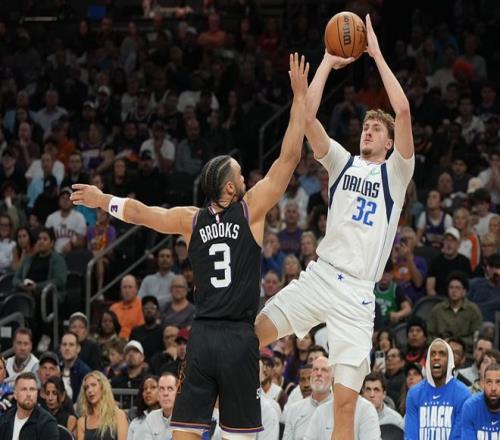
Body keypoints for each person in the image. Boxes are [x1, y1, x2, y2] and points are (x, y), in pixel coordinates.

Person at [71, 53, 309, 439]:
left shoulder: (190, 220)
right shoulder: (251, 210)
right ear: (229, 187)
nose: (245, 178)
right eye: (239, 174)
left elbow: (141, 213)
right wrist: (298, 98)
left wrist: (103, 200)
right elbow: (290, 157)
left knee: (183, 433)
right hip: (238, 338)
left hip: (201, 337)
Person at [256, 14, 414, 440]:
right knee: (252, 334)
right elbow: (307, 118)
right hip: (321, 276)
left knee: (345, 407)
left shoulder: (396, 174)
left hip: (358, 296)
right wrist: (327, 61)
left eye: (377, 129)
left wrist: (375, 54)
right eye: (366, 126)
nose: (369, 131)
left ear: (389, 142)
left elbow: (402, 110)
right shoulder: (343, 162)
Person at [405, 338, 471, 440]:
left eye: (442, 354)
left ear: (450, 361)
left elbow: (459, 436)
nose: (436, 357)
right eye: (433, 354)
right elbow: (411, 436)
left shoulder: (463, 393)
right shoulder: (414, 393)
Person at [427, 271, 482, 352]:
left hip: (465, 352)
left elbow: (476, 338)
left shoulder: (473, 310)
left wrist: (456, 343)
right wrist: (442, 342)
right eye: (451, 287)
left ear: (464, 291)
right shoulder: (438, 310)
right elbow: (428, 336)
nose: (454, 291)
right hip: (442, 350)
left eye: (457, 288)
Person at [283, 356, 333, 440]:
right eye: (315, 369)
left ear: (333, 378)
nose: (318, 373)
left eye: (324, 370)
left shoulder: (340, 410)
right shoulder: (293, 410)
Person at [0, 372, 59, 439]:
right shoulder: (4, 420)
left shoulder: (47, 423)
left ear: (37, 393)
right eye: (24, 389)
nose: (28, 394)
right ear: (15, 394)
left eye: (32, 389)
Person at [77, 371, 129, 440]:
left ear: (103, 388)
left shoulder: (118, 415)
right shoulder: (82, 422)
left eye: (93, 385)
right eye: (87, 388)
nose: (90, 390)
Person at [426, 227, 471, 296]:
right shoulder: (435, 261)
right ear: (443, 243)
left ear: (458, 244)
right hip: (438, 299)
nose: (449, 244)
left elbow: (467, 288)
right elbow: (430, 289)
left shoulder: (465, 262)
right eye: (446, 240)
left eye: (453, 241)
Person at [461, 363, 500, 438]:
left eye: (498, 382)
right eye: (489, 382)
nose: (493, 388)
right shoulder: (471, 407)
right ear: (483, 384)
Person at [142, 373, 178, 440]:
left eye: (170, 389)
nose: (165, 393)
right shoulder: (151, 418)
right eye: (161, 389)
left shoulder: (187, 420)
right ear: (158, 396)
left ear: (178, 393)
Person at [59, 331, 91, 403]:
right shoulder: (56, 368)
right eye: (64, 344)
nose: (67, 348)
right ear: (60, 348)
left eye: (71, 345)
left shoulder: (84, 371)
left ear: (78, 348)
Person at [130, 296, 164, 363]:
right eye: (146, 308)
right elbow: (131, 351)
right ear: (142, 311)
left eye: (152, 308)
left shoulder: (163, 332)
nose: (149, 311)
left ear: (158, 311)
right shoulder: (135, 332)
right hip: (138, 364)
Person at [110, 275, 145, 340]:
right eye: (124, 287)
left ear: (136, 289)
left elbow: (141, 331)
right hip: (114, 341)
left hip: (133, 341)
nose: (127, 290)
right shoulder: (113, 308)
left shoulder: (142, 306)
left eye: (130, 287)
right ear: (120, 290)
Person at [127, 375, 160, 440]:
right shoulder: (135, 422)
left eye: (153, 387)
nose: (148, 391)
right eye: (145, 388)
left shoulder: (169, 420)